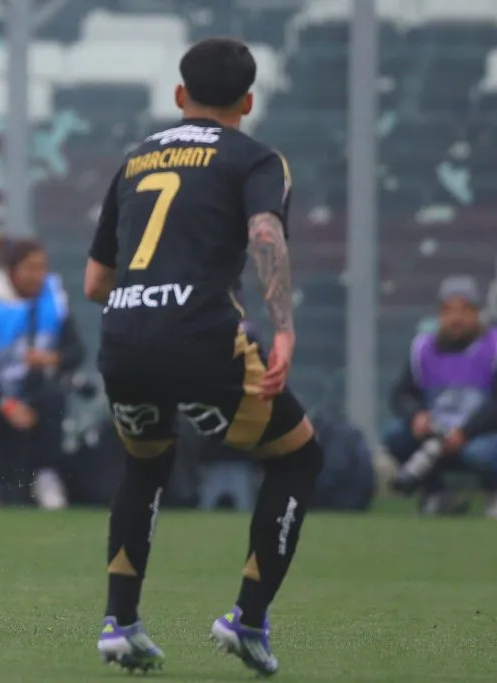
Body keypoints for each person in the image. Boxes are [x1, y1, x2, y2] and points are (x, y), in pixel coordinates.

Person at [83, 38, 323, 676]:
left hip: (124, 335)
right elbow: (265, 232)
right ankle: (247, 619)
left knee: (145, 464)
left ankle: (120, 622)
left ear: (179, 96)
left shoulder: (135, 160)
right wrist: (285, 330)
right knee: (299, 457)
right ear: (247, 101)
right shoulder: (257, 158)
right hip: (201, 334)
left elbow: (93, 284)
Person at [0, 236, 83, 510]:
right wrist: (7, 405)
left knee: (54, 397)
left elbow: (76, 352)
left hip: (33, 390)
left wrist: (50, 358)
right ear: (11, 271)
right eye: (30, 268)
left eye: (42, 267)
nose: (38, 276)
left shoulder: (54, 300)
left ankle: (47, 476)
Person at [386, 275, 497, 517]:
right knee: (394, 434)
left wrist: (465, 432)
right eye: (448, 310)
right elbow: (400, 394)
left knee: (480, 453)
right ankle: (436, 493)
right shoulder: (423, 349)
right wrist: (416, 415)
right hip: (436, 435)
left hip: (480, 435)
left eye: (464, 310)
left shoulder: (493, 347)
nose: (456, 319)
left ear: (477, 313)